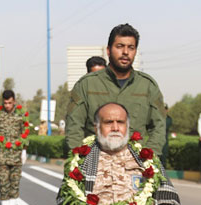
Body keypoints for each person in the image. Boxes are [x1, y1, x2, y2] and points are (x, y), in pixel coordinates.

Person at [66, 23, 167, 156]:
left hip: (135, 167)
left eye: (131, 47)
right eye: (120, 46)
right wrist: (82, 160)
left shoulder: (147, 86)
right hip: (94, 165)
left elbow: (159, 128)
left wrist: (147, 159)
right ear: (108, 50)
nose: (125, 52)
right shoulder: (87, 85)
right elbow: (74, 128)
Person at [0, 90, 28, 205]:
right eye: (5, 103)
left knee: (15, 181)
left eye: (10, 103)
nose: (7, 106)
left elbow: (25, 132)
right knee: (4, 181)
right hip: (2, 155)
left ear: (14, 101)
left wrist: (25, 150)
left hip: (16, 154)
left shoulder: (21, 115)